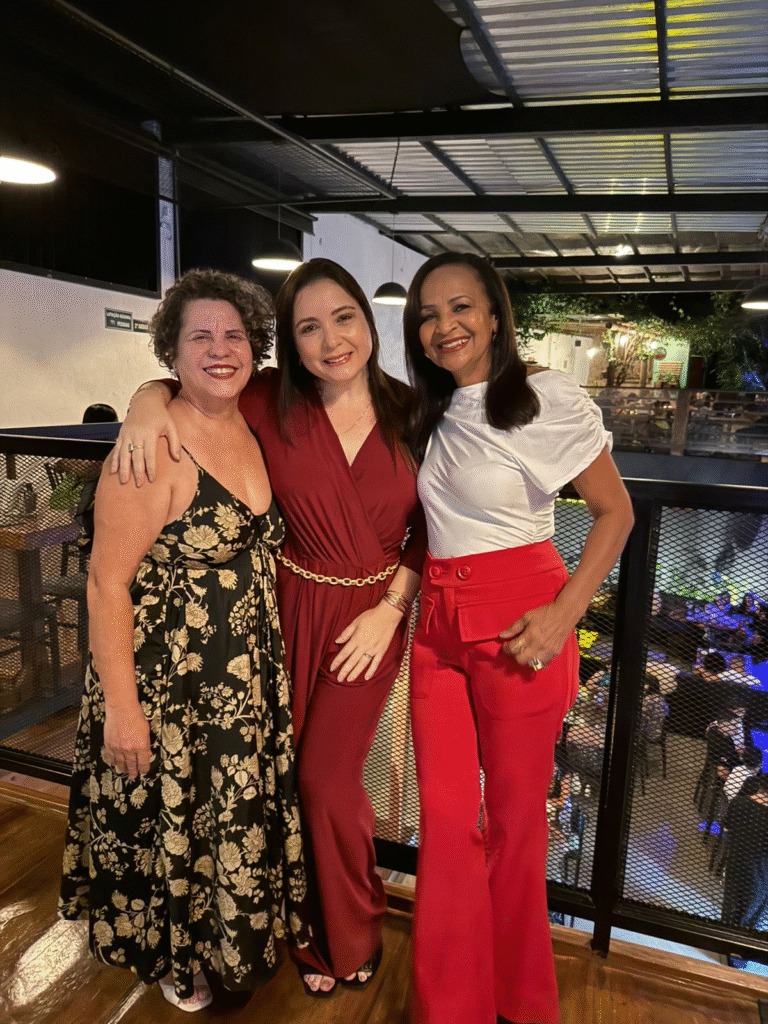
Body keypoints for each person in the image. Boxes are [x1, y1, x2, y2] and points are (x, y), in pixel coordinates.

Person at [112, 258, 424, 997]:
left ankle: (353, 927)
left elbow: (436, 529)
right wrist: (143, 405)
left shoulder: (416, 411)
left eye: (343, 318)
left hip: (369, 620)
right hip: (277, 611)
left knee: (325, 779)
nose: (331, 341)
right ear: (288, 341)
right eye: (308, 328)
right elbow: (184, 382)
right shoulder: (267, 398)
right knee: (277, 779)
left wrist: (391, 610)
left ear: (368, 320)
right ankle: (299, 926)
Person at [59, 269, 310, 1010]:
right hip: (169, 685)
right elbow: (105, 586)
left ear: (255, 348)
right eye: (200, 336)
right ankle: (177, 954)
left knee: (222, 820)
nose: (220, 349)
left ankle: (229, 941)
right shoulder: (153, 448)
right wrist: (123, 713)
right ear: (173, 351)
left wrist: (146, 395)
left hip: (240, 682)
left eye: (234, 335)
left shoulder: (247, 422)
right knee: (177, 819)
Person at [402, 252, 634, 1024]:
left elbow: (616, 512)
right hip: (438, 628)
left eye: (460, 307)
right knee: (446, 822)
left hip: (518, 625)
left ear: (495, 315)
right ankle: (451, 1008)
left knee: (514, 825)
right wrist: (151, 392)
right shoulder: (431, 409)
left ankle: (521, 1003)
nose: (445, 326)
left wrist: (565, 613)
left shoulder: (541, 396)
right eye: (428, 316)